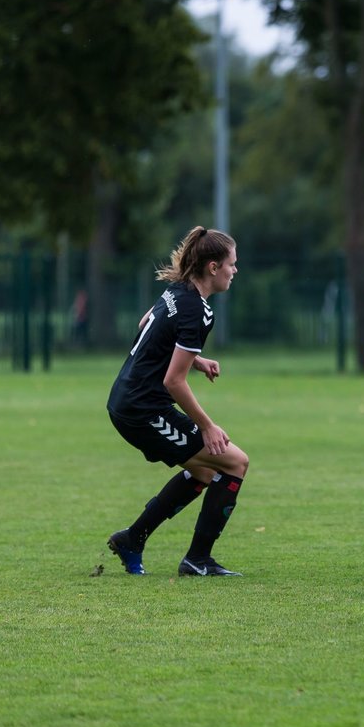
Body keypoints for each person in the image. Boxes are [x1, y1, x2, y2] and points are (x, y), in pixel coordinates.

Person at [105, 227, 250, 576]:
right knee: (235, 463)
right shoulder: (197, 311)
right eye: (232, 264)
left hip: (127, 399)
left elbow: (146, 325)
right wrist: (207, 425)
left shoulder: (177, 291)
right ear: (213, 267)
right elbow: (173, 381)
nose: (235, 270)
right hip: (142, 409)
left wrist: (194, 359)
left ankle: (132, 539)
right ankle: (197, 560)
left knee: (203, 471)